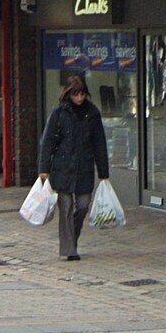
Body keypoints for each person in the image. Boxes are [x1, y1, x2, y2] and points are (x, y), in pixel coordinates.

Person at [36, 72, 111, 261]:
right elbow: (48, 142)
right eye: (75, 94)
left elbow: (99, 143)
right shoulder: (59, 113)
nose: (79, 98)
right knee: (66, 207)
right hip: (62, 168)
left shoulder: (92, 113)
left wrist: (103, 171)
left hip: (84, 167)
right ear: (68, 94)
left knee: (84, 205)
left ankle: (72, 238)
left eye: (82, 94)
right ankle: (69, 249)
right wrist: (43, 168)